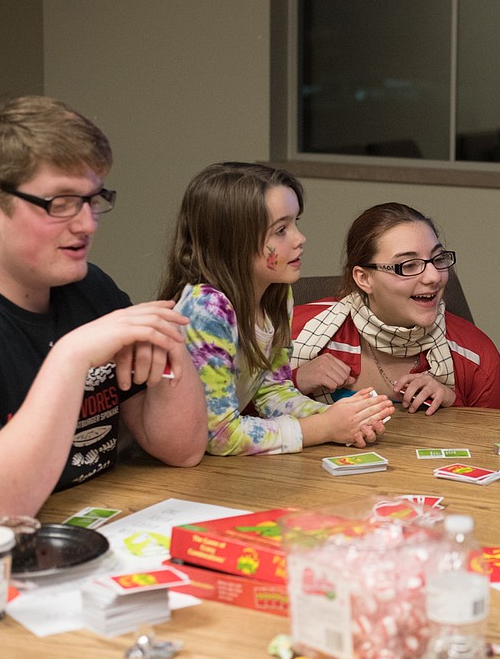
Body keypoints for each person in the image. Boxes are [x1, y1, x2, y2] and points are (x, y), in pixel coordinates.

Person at [0, 96, 207, 522]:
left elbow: (182, 449)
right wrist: (70, 355)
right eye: (59, 203)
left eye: (92, 199)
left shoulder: (89, 288)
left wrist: (168, 339)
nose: (86, 224)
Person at [158, 163, 393, 456]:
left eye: (296, 223)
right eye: (281, 229)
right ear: (234, 242)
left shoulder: (276, 295)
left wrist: (343, 417)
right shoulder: (207, 308)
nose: (300, 238)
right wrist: (324, 428)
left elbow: (273, 391)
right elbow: (218, 435)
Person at [291, 202, 500, 413]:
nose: (434, 277)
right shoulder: (291, 332)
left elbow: (496, 443)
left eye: (438, 259)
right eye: (409, 265)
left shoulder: (477, 356)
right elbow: (257, 435)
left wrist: (453, 405)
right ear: (364, 278)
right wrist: (292, 381)